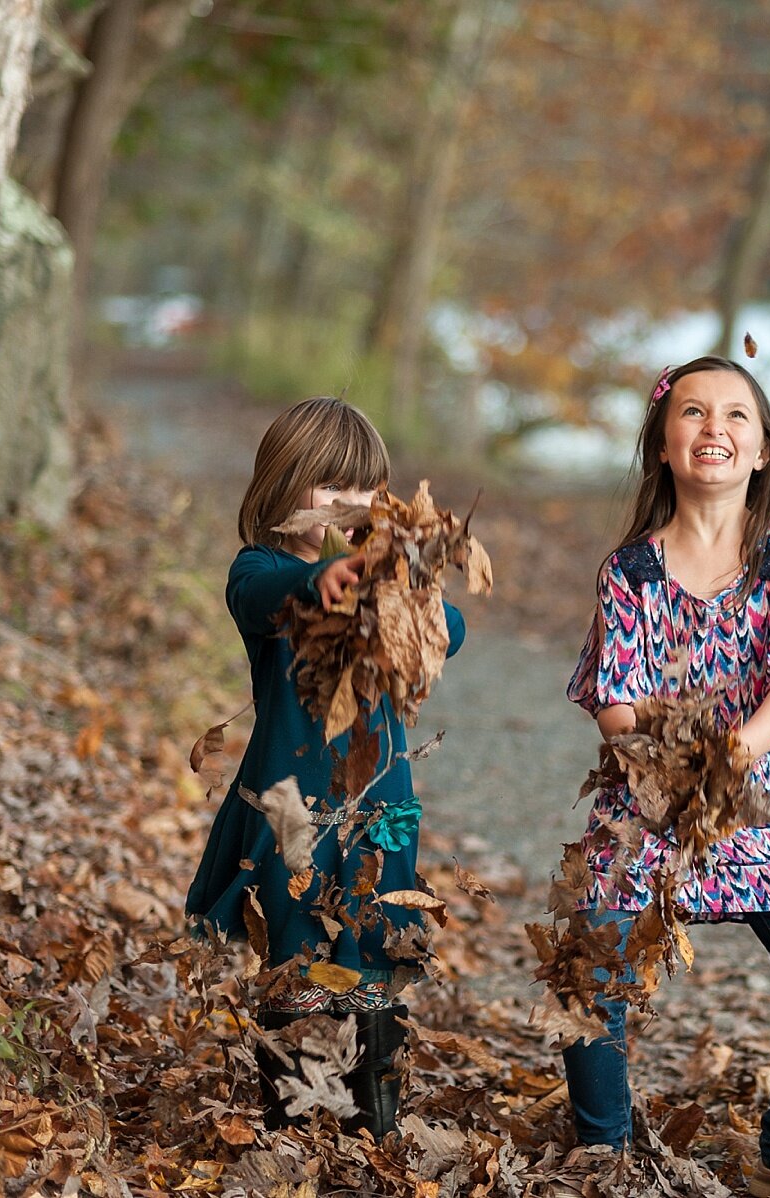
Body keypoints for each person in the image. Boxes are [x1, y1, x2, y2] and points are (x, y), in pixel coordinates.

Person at [563, 357, 770, 1197]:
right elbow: (617, 706)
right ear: (663, 444)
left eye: (736, 415)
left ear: (763, 449)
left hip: (759, 789)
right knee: (590, 963)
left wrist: (735, 751)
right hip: (647, 792)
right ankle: (603, 1150)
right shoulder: (631, 571)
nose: (714, 428)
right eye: (692, 412)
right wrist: (678, 758)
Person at [185, 395, 467, 1138]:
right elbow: (265, 596)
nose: (351, 504)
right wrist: (321, 582)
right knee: (296, 951)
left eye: (366, 490)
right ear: (284, 489)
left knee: (374, 945)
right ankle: (294, 1124)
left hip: (382, 800)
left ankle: (372, 1127)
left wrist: (404, 582)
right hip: (287, 802)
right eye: (329, 488)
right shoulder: (264, 570)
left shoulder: (387, 580)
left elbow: (453, 631)